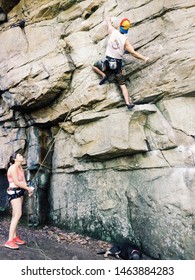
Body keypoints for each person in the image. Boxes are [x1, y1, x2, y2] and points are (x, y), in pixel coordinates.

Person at [92, 15, 149, 110]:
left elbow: (109, 24)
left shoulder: (112, 31)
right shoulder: (125, 41)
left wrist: (108, 19)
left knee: (94, 66)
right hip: (117, 66)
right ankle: (127, 103)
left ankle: (103, 75)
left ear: (120, 26)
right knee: (122, 85)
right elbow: (133, 53)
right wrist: (144, 58)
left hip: (107, 63)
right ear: (127, 29)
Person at [4, 152, 34, 250]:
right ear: (15, 159)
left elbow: (24, 182)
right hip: (14, 192)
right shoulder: (12, 168)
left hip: (20, 192)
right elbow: (16, 182)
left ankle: (14, 237)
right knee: (17, 214)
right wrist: (28, 189)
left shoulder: (20, 168)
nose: (22, 156)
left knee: (15, 215)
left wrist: (28, 189)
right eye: (19, 156)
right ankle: (9, 241)